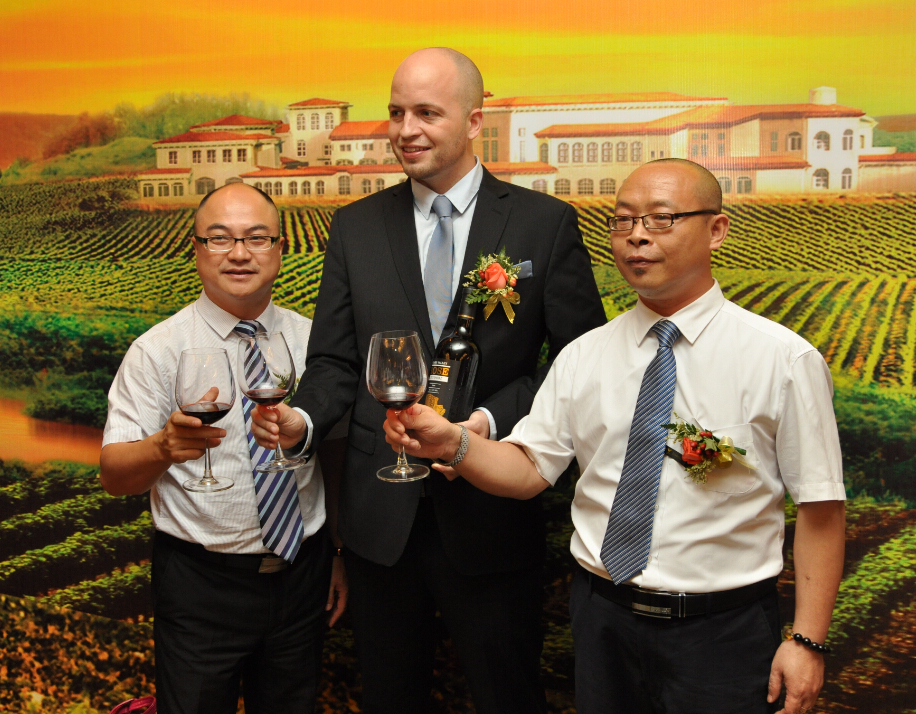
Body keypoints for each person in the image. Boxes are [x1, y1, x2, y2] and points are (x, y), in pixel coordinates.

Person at [383, 158, 847, 714]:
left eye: (661, 219)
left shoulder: (783, 359)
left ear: (717, 229)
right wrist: (453, 444)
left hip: (723, 632)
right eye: (623, 220)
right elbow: (529, 469)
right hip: (602, 620)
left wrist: (807, 640)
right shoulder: (585, 355)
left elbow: (821, 507)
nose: (637, 237)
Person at [252, 47, 606, 713]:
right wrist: (302, 420)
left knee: (508, 696)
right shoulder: (355, 227)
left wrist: (488, 422)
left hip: (491, 516)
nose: (405, 129)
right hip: (379, 523)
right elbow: (333, 363)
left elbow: (581, 362)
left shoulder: (542, 223)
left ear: (473, 121)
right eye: (395, 113)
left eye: (425, 113)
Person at [100, 182, 348, 714]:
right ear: (196, 249)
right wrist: (164, 447)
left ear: (280, 249)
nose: (239, 253)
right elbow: (115, 475)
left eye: (257, 238)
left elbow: (333, 455)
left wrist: (336, 554)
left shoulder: (314, 343)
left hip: (301, 575)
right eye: (220, 238)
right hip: (200, 586)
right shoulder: (157, 350)